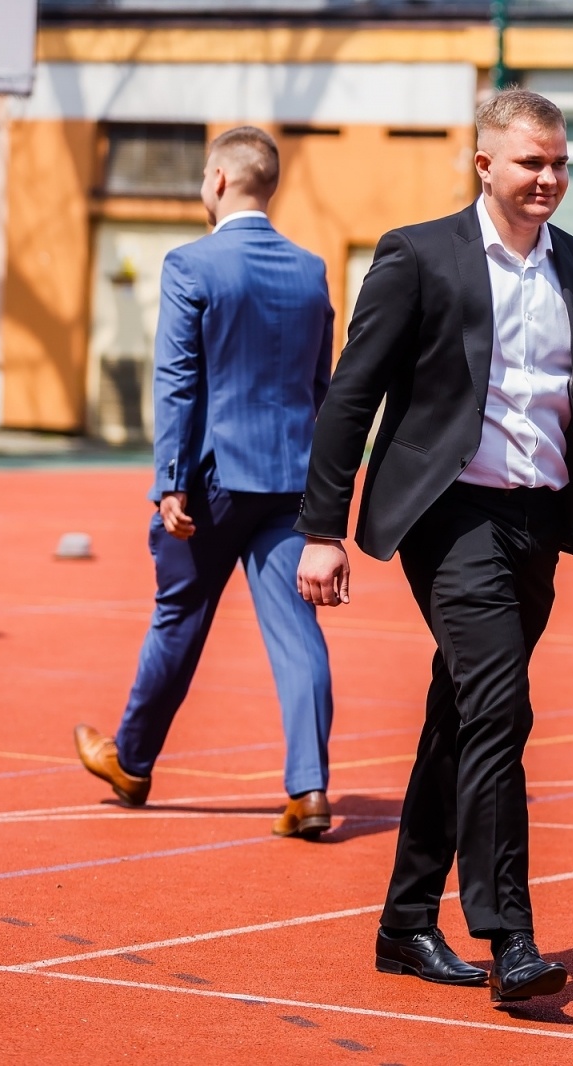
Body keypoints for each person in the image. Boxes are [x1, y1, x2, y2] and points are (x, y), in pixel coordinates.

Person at [294, 89, 573, 1002]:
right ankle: (510, 933)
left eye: (559, 162)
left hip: (539, 525)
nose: (549, 177)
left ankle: (403, 925)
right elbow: (352, 397)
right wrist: (321, 530)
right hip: (451, 516)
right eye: (530, 162)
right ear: (486, 165)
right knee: (502, 709)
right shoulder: (418, 257)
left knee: (464, 717)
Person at [73, 127, 338, 839]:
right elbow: (324, 387)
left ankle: (131, 761)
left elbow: (178, 382)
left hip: (215, 479)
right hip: (292, 481)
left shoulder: (191, 264)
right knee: (297, 632)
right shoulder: (311, 271)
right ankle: (309, 790)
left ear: (218, 180)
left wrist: (169, 481)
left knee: (179, 615)